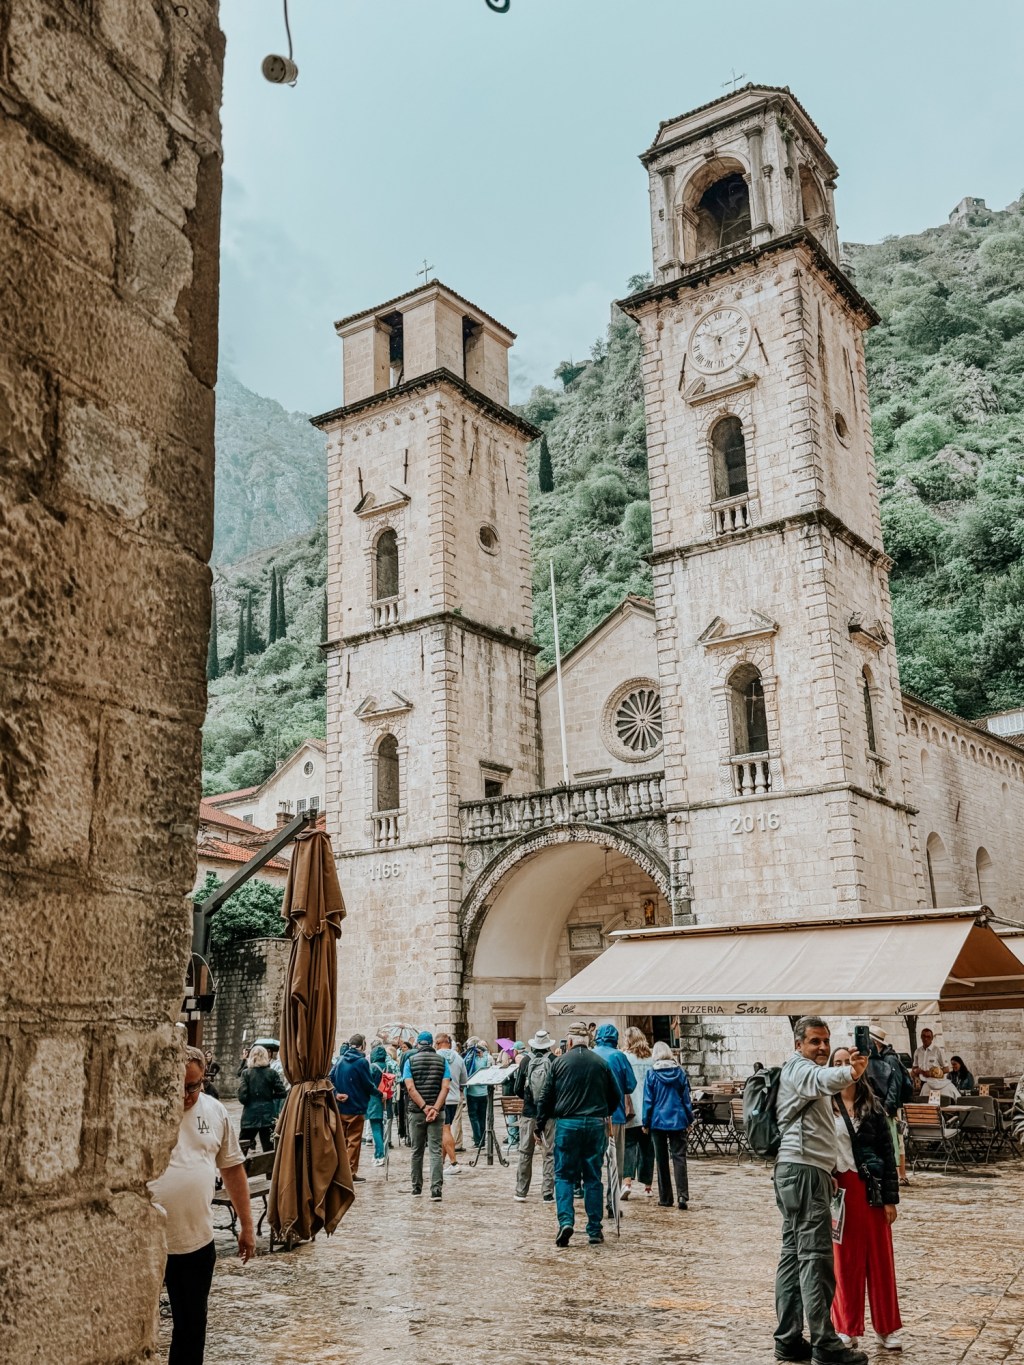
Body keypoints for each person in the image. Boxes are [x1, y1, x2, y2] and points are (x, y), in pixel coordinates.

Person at [772, 1015, 868, 1365]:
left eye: (826, 1040)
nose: (823, 1047)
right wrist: (851, 1072)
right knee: (816, 1259)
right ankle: (825, 1343)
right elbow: (822, 1079)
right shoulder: (800, 1069)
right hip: (803, 1172)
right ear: (798, 1044)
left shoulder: (801, 1070)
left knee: (793, 1256)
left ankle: (788, 1339)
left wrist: (826, 1169)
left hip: (800, 1170)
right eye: (815, 1041)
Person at [149, 1047, 254, 1365]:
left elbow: (232, 1169)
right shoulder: (147, 1111)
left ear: (204, 1079)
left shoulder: (215, 1111)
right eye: (178, 1086)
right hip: (148, 1240)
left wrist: (247, 1225)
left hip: (195, 1241)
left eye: (193, 1086)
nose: (185, 1095)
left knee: (191, 1327)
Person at [829, 1047, 903, 1353]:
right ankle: (846, 1326)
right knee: (844, 1261)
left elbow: (888, 1152)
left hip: (870, 1187)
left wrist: (890, 1199)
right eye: (837, 1063)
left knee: (880, 1260)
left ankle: (887, 1327)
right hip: (840, 1190)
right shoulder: (823, 1106)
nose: (843, 1067)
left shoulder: (872, 1107)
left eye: (847, 1062)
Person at [536, 1020, 620, 1248]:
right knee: (593, 1177)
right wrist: (603, 1111)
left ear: (570, 1042)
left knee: (564, 1175)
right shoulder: (601, 1063)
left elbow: (545, 1097)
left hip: (567, 1124)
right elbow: (616, 1096)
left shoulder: (559, 1063)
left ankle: (565, 1221)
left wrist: (539, 1125)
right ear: (588, 1041)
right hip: (594, 1124)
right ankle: (594, 1229)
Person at [641, 1041, 693, 1209]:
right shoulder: (680, 1072)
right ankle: (682, 1195)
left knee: (661, 1159)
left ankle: (665, 1197)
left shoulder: (652, 1073)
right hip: (678, 1118)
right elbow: (686, 1098)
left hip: (658, 1121)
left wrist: (645, 1121)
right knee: (679, 1157)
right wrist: (689, 1119)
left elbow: (648, 1100)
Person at [402, 1031, 451, 1200]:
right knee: (435, 1150)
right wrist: (435, 1109)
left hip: (417, 1111)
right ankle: (436, 1189)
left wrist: (424, 1107)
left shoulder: (410, 1061)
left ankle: (416, 1188)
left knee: (417, 1150)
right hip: (437, 1111)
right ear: (431, 1044)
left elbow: (410, 1088)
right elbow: (445, 1087)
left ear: (418, 1044)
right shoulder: (442, 1061)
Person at [513, 1028, 557, 1202]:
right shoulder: (554, 1060)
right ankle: (547, 1193)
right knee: (549, 1153)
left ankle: (521, 1191)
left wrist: (529, 1098)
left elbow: (517, 1088)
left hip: (529, 1113)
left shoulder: (525, 1061)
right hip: (550, 1113)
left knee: (525, 1152)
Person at [592, 1024, 637, 1184]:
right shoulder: (619, 1056)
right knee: (616, 1158)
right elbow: (630, 1085)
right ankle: (614, 1191)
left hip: (593, 1114)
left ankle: (593, 1189)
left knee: (593, 1157)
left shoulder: (591, 1054)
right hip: (616, 1114)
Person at [330, 1033, 377, 1180]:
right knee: (354, 1141)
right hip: (357, 1107)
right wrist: (380, 1094)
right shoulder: (362, 1062)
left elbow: (330, 1079)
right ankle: (349, 1173)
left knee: (342, 1141)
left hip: (341, 1107)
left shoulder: (340, 1060)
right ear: (362, 1046)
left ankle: (340, 1171)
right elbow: (368, 1084)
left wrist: (336, 1094)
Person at [621, 1026, 655, 1201]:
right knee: (648, 1149)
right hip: (649, 1110)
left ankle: (627, 1183)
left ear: (628, 1040)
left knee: (628, 1146)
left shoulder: (625, 1057)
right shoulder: (652, 1058)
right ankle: (648, 1186)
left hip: (631, 1110)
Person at [237, 1044, 287, 1151]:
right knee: (269, 1149)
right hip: (268, 1115)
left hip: (249, 1115)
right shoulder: (272, 1073)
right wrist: (269, 1096)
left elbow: (242, 1097)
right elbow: (282, 1092)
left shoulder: (246, 1073)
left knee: (242, 1149)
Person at [435, 1031, 469, 1175]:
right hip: (454, 1097)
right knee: (446, 1128)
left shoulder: (436, 1057)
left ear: (437, 1044)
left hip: (440, 1097)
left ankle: (454, 1163)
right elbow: (464, 1080)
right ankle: (441, 1163)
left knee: (445, 1130)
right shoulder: (458, 1057)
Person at [367, 1042, 395, 1165]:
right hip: (386, 1100)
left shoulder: (372, 1067)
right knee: (382, 1128)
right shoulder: (388, 1066)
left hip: (374, 1101)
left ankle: (379, 1155)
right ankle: (380, 1153)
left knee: (376, 1129)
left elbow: (368, 1084)